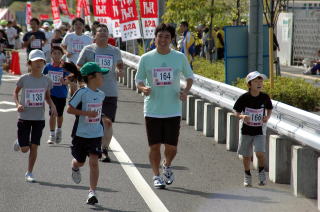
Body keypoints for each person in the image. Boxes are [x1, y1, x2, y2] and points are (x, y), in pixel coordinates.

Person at [135, 23, 194, 189]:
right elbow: (138, 80)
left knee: (172, 148)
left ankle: (167, 164)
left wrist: (186, 91)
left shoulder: (179, 57)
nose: (163, 39)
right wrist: (142, 88)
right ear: (155, 38)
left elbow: (189, 76)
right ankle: (156, 176)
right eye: (160, 36)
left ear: (172, 39)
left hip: (173, 108)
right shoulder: (146, 58)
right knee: (154, 146)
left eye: (167, 36)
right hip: (152, 109)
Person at [77, 24, 124, 163]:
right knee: (92, 121)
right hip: (92, 91)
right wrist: (83, 80)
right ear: (94, 35)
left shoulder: (115, 51)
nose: (103, 33)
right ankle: (90, 145)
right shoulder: (88, 49)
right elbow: (79, 66)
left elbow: (120, 64)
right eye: (100, 31)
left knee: (107, 123)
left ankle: (104, 149)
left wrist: (120, 70)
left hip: (110, 91)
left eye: (105, 31)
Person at [67, 62, 110, 205]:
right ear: (91, 77)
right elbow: (70, 109)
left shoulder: (102, 94)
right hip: (80, 134)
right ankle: (75, 166)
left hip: (95, 134)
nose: (103, 78)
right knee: (80, 162)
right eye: (100, 75)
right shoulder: (82, 92)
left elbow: (96, 113)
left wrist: (102, 118)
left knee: (94, 162)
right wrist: (86, 113)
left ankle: (92, 192)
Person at [13, 49, 57, 182]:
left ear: (44, 63)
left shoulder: (47, 80)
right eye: (35, 61)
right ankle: (20, 142)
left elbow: (47, 97)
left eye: (41, 61)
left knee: (34, 146)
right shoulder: (24, 79)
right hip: (24, 117)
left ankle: (30, 172)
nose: (38, 64)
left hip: (38, 118)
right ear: (29, 64)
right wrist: (17, 105)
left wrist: (52, 105)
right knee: (25, 149)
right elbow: (15, 93)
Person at [233, 71, 273, 187]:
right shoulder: (244, 97)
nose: (259, 83)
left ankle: (261, 174)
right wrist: (242, 116)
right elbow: (235, 111)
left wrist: (267, 117)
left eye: (261, 81)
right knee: (246, 155)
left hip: (259, 130)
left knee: (260, 153)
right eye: (256, 81)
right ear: (249, 84)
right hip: (246, 130)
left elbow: (270, 108)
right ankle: (247, 175)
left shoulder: (265, 97)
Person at [42, 46, 69, 144]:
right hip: (51, 94)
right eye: (54, 53)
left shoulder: (65, 68)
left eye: (59, 53)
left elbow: (69, 79)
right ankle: (52, 134)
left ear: (62, 55)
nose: (57, 55)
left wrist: (65, 81)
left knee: (60, 114)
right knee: (52, 113)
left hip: (62, 94)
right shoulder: (48, 67)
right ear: (51, 55)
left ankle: (59, 130)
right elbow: (42, 76)